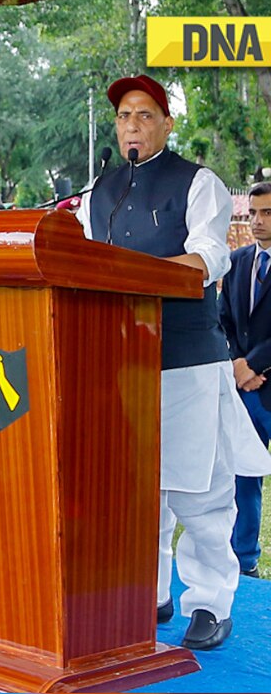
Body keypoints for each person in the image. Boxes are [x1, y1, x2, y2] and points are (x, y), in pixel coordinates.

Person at [77, 74, 271, 650]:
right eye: (123, 117)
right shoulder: (99, 191)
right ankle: (150, 592)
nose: (131, 125)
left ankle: (211, 600)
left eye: (143, 115)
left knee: (199, 489)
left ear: (165, 122)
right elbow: (84, 261)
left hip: (186, 358)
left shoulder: (199, 182)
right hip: (120, 358)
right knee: (137, 487)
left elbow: (211, 257)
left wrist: (139, 275)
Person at [218, 181, 271, 580]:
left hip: (259, 376)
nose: (258, 221)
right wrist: (237, 361)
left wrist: (254, 364)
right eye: (254, 213)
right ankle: (245, 558)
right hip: (247, 391)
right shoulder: (236, 262)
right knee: (245, 473)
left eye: (267, 213)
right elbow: (223, 320)